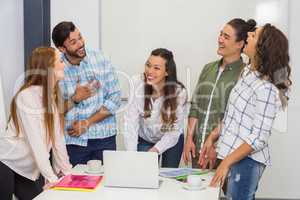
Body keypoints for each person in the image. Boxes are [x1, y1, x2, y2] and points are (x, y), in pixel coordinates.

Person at [200, 24, 291, 200]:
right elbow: (232, 116)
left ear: (261, 48)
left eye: (254, 34)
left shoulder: (267, 88)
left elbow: (258, 138)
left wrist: (227, 161)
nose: (248, 34)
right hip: (231, 155)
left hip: (246, 162)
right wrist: (212, 137)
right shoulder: (247, 72)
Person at [0, 47, 72, 200]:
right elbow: (36, 142)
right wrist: (51, 178)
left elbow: (58, 140)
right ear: (48, 67)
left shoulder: (51, 99)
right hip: (6, 163)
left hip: (26, 170)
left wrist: (68, 174)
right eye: (60, 61)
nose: (64, 64)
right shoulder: (26, 97)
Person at [183, 18, 256, 168]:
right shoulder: (208, 68)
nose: (220, 39)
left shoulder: (244, 74)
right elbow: (196, 106)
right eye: (221, 34)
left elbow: (236, 118)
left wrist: (216, 146)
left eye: (226, 37)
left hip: (224, 152)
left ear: (240, 44)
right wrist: (189, 139)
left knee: (221, 192)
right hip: (199, 150)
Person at [52, 21, 121, 166]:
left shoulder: (101, 59)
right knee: (76, 186)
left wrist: (87, 122)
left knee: (107, 184)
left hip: (104, 137)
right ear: (61, 48)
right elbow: (55, 110)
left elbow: (115, 99)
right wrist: (75, 99)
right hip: (73, 142)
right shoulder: (57, 70)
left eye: (80, 37)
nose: (80, 43)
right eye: (73, 42)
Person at [124, 48, 187, 168]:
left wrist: (156, 150)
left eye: (156, 68)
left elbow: (174, 132)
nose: (150, 71)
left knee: (168, 177)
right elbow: (130, 123)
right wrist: (131, 156)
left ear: (167, 72)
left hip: (171, 139)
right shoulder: (136, 83)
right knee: (143, 173)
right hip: (145, 138)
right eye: (148, 65)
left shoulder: (179, 93)